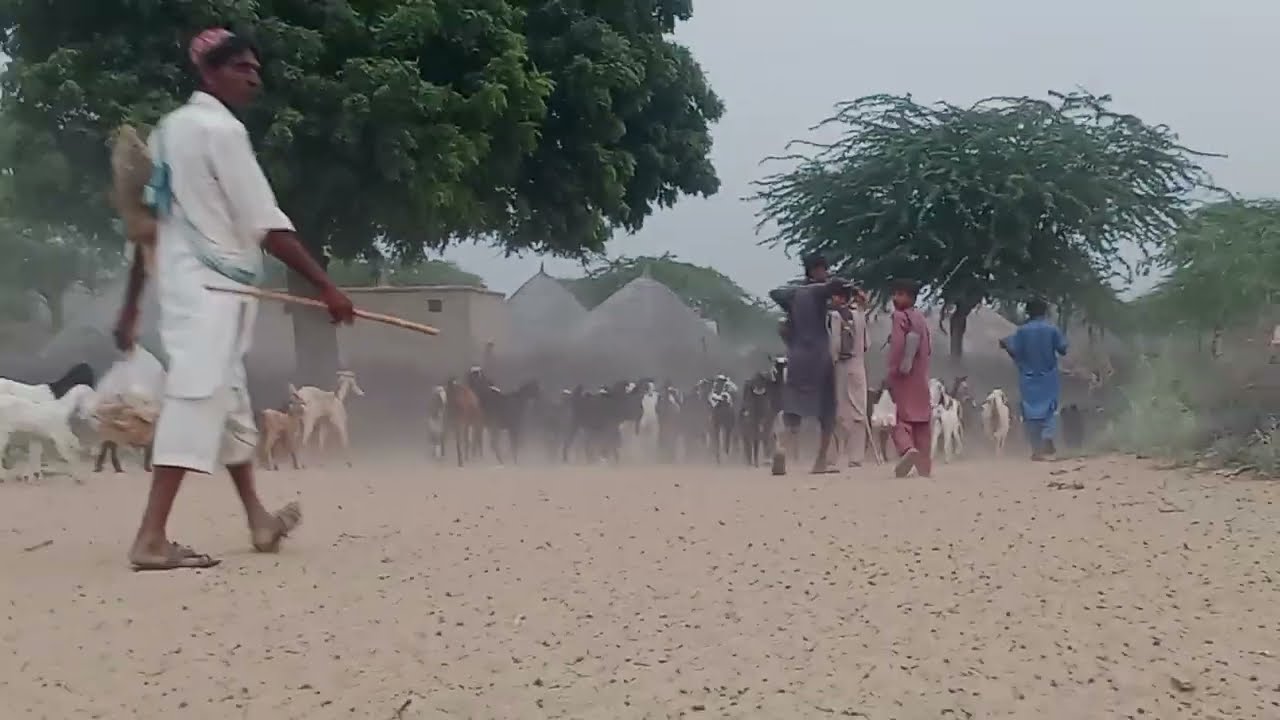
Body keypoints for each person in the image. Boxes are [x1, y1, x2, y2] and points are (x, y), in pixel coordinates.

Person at [114, 28, 355, 571]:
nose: (254, 77)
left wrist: (132, 305)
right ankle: (151, 538)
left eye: (256, 68)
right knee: (196, 398)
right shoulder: (221, 132)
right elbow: (267, 225)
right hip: (212, 293)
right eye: (241, 67)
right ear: (210, 72)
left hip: (190, 288)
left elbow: (145, 226)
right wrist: (326, 286)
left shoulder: (168, 132)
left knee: (231, 407)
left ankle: (259, 521)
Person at [768, 254, 844, 476]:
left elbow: (775, 294)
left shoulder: (794, 296)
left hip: (797, 359)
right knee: (827, 410)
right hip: (819, 359)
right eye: (823, 270)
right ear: (814, 272)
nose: (826, 274)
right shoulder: (819, 292)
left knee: (793, 409)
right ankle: (820, 460)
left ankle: (782, 448)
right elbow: (835, 285)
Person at [999, 298, 1068, 460]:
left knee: (1030, 414)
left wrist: (1005, 346)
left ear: (1028, 312)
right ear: (1045, 312)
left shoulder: (1021, 332)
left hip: (1028, 378)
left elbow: (1015, 351)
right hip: (1049, 377)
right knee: (1049, 410)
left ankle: (1036, 449)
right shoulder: (1052, 330)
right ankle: (1047, 435)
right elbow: (1063, 349)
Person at [884, 278, 932, 478]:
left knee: (902, 418)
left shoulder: (898, 317)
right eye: (895, 294)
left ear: (910, 297)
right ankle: (924, 464)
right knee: (922, 420)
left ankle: (907, 450)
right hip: (921, 377)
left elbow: (897, 347)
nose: (896, 298)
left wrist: (893, 371)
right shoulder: (921, 319)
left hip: (904, 378)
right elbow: (928, 348)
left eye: (900, 294)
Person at [828, 283, 869, 467]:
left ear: (842, 298)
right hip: (859, 366)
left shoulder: (836, 316)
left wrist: (832, 360)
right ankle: (856, 457)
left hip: (842, 366)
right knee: (859, 411)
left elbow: (835, 344)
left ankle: (835, 455)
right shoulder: (860, 316)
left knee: (840, 411)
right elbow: (867, 344)